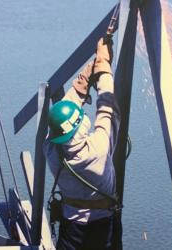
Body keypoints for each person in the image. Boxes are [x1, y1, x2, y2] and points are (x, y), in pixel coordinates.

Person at [43, 37, 122, 250]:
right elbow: (107, 106)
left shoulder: (50, 150)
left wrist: (87, 76)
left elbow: (63, 114)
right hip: (103, 227)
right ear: (79, 123)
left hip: (71, 228)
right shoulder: (98, 149)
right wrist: (103, 67)